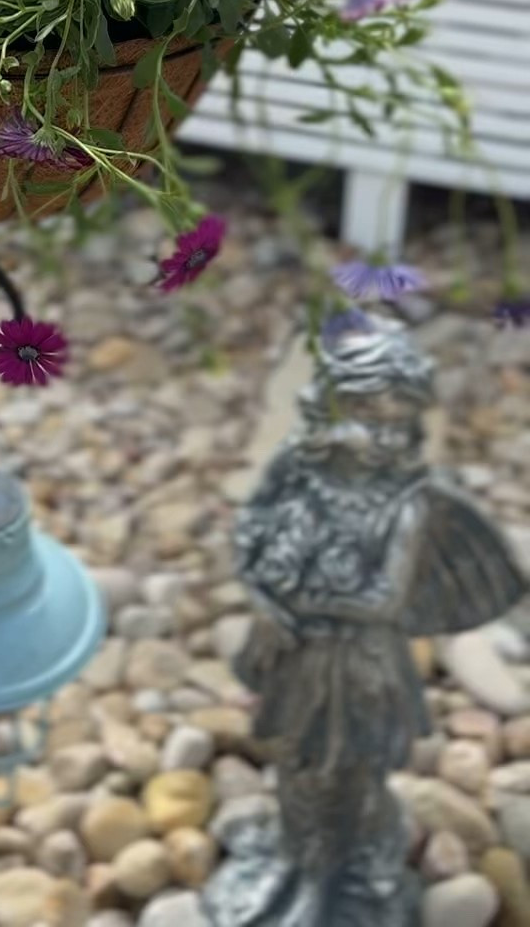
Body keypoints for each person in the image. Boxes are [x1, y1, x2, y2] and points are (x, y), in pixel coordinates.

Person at [203, 315, 526, 927]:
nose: (380, 437)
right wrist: (267, 596)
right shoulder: (297, 467)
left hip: (357, 665)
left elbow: (383, 599)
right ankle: (301, 855)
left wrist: (297, 597)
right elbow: (248, 534)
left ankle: (334, 872)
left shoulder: (408, 503)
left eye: (396, 423)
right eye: (365, 416)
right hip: (295, 651)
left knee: (346, 764)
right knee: (295, 759)